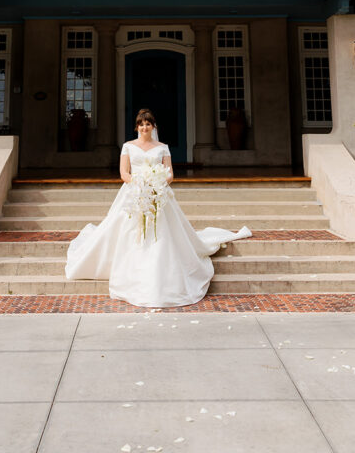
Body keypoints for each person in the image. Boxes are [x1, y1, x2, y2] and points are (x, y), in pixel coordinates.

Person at [65, 108, 251, 307]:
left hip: (158, 192)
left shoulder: (162, 147)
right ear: (137, 127)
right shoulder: (128, 146)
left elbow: (170, 174)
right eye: (141, 124)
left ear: (153, 126)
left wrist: (158, 183)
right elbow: (124, 173)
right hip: (133, 193)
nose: (145, 127)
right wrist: (139, 184)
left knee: (162, 233)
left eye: (148, 124)